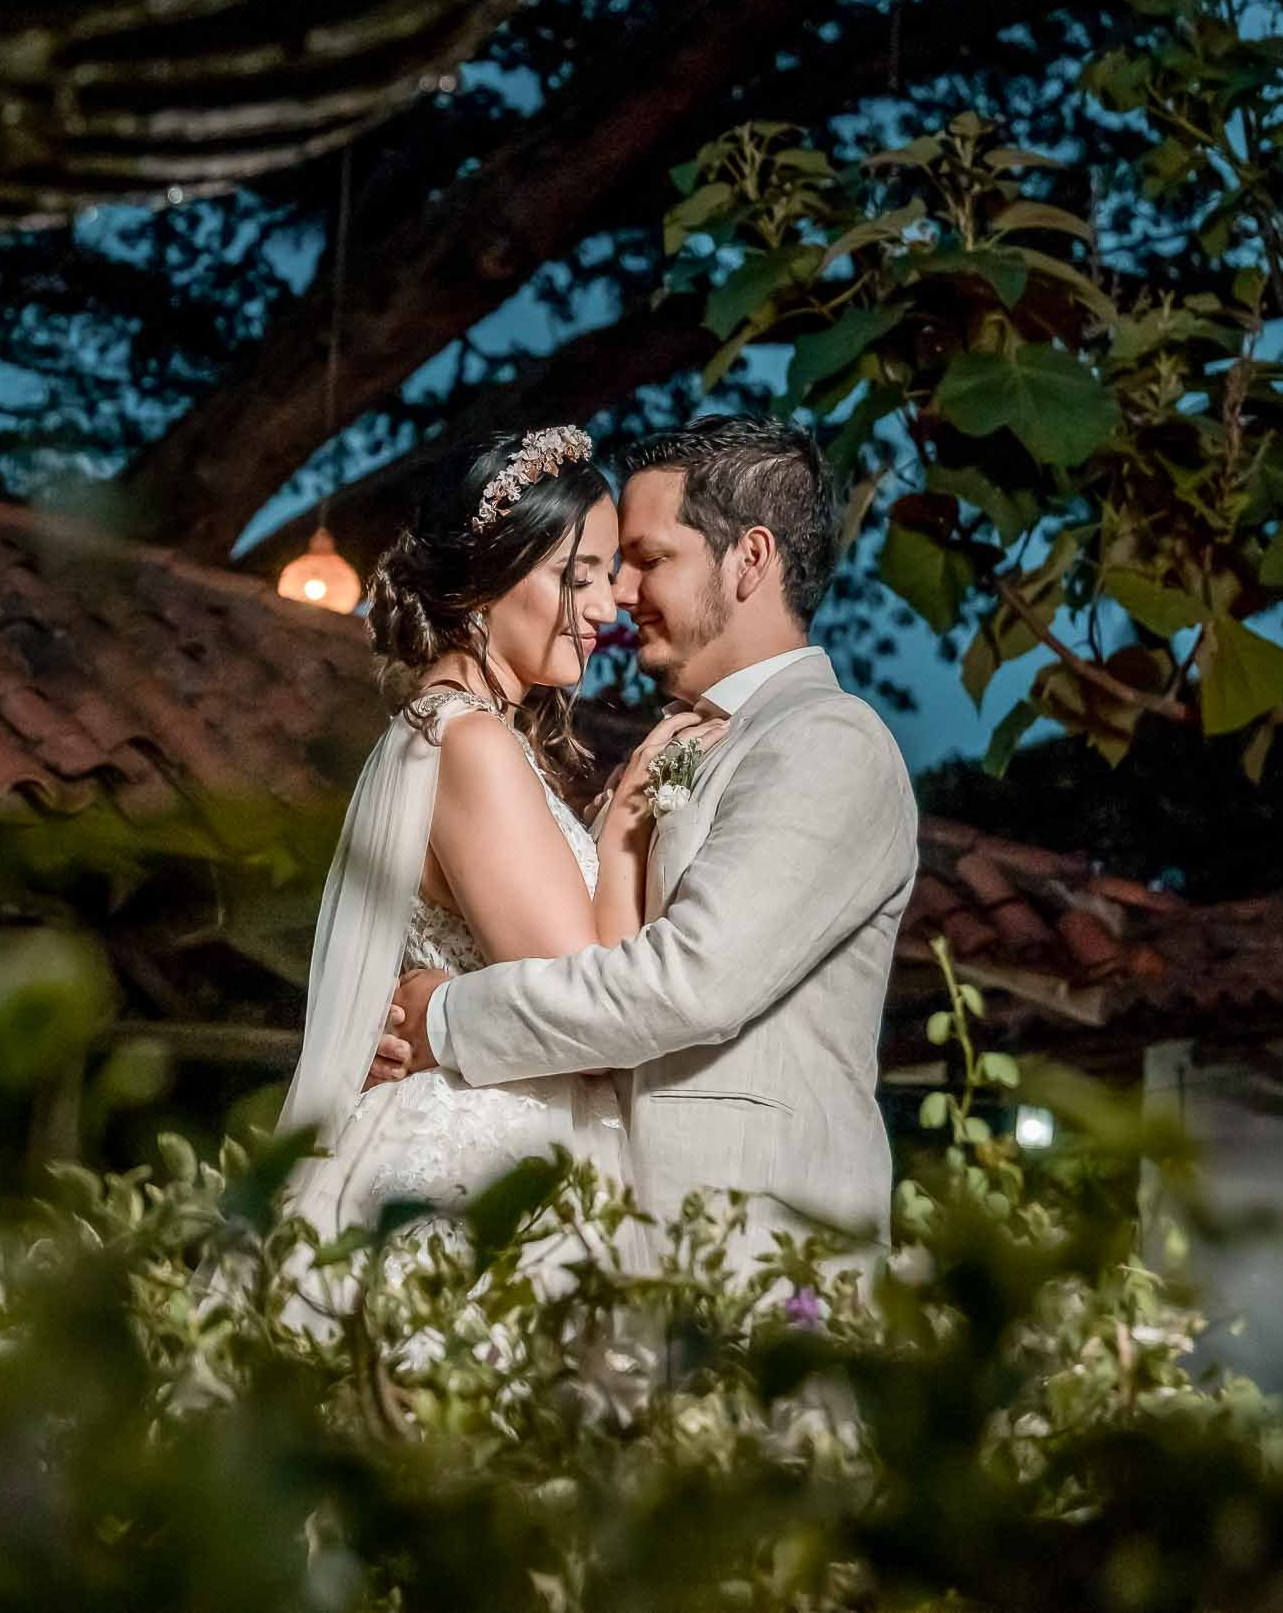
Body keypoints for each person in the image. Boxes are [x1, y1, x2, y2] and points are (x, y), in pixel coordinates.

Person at [372, 415, 918, 1285]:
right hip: (609, 1242)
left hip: (755, 1255)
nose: (620, 593)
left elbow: (685, 983)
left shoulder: (827, 742)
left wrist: (442, 1018)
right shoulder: (657, 747)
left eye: (649, 559)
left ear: (750, 559)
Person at [273, 426, 715, 1261]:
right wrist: (631, 811)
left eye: (607, 573)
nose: (605, 603)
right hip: (486, 1160)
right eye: (574, 575)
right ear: (484, 583)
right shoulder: (468, 741)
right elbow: (591, 1007)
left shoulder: (453, 733)